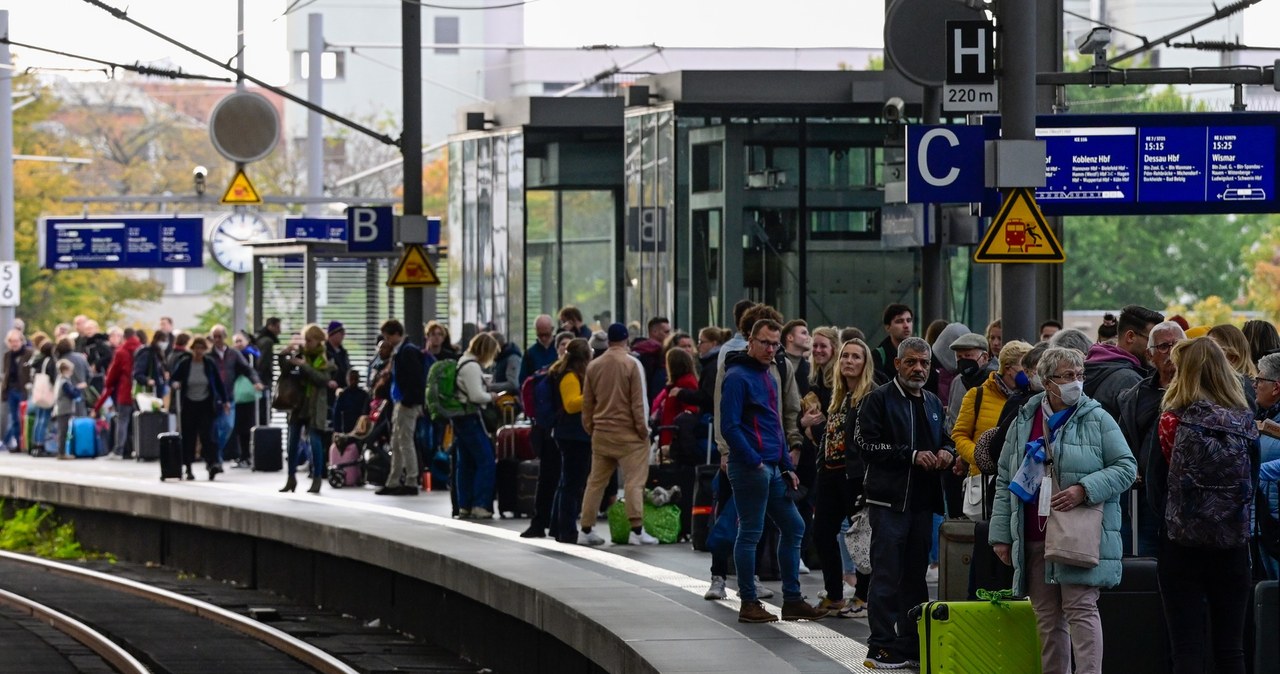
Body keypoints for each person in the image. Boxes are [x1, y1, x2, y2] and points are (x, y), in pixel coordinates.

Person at [989, 347, 1136, 674]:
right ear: (1047, 381)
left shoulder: (1097, 417)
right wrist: (1000, 535)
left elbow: (1126, 467)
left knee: (1081, 610)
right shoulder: (1025, 417)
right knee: (1046, 617)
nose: (1077, 382)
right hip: (1033, 532)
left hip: (1077, 533)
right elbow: (1004, 477)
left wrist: (1084, 489)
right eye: (1068, 376)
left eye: (1080, 375)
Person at [1157, 338, 1258, 674]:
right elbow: (1252, 482)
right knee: (1231, 650)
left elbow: (1155, 484)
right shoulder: (1244, 421)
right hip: (1232, 544)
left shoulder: (1172, 420)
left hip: (1180, 544)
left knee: (1186, 649)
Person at [854, 337, 954, 668]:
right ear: (897, 364)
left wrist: (946, 453)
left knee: (915, 577)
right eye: (911, 362)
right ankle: (880, 645)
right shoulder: (877, 400)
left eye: (924, 363)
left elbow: (947, 440)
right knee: (886, 576)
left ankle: (911, 643)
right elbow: (866, 446)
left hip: (923, 506)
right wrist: (910, 455)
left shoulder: (932, 403)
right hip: (888, 503)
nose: (918, 368)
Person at [721, 318, 827, 623]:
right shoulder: (738, 377)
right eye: (765, 342)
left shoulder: (767, 375)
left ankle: (791, 599)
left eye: (775, 344)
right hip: (752, 466)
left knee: (794, 526)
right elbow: (729, 424)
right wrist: (755, 459)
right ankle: (749, 602)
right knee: (751, 532)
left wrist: (783, 463)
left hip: (768, 465)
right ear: (750, 342)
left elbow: (775, 423)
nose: (770, 349)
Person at [811, 338, 876, 617]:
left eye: (856, 357)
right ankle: (834, 594)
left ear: (865, 364)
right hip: (829, 472)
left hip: (855, 475)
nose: (849, 361)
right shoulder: (836, 395)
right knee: (822, 531)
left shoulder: (871, 395)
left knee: (859, 534)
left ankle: (863, 595)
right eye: (845, 356)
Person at [577, 323, 657, 546]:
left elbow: (587, 404)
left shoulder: (594, 366)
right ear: (626, 340)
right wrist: (644, 431)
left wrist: (591, 428)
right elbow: (638, 403)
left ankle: (586, 528)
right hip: (630, 435)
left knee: (595, 482)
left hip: (601, 433)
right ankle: (637, 530)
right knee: (634, 481)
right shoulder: (632, 364)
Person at [1116, 321, 1187, 557]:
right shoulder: (1136, 394)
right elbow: (1123, 438)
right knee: (1146, 554)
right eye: (1165, 346)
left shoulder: (1199, 391)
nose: (1172, 352)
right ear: (1150, 354)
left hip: (1186, 493)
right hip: (1145, 493)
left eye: (1178, 345)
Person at [952, 340, 1033, 514]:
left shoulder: (1032, 398)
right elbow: (959, 435)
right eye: (1024, 366)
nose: (1029, 373)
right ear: (1008, 368)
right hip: (984, 479)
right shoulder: (977, 395)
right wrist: (980, 457)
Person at [275, 325, 335, 493]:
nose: (307, 343)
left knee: (315, 442)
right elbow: (285, 371)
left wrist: (304, 366)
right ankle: (290, 478)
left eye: (310, 340)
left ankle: (317, 478)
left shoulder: (324, 358)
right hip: (297, 404)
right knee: (292, 442)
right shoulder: (300, 354)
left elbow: (322, 379)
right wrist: (284, 354)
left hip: (315, 406)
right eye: (306, 340)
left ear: (318, 341)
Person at [547, 338, 593, 543]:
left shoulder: (565, 373)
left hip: (569, 434)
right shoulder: (569, 376)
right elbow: (571, 404)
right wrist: (592, 396)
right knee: (571, 484)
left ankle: (558, 527)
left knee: (566, 482)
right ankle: (566, 530)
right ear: (583, 358)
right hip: (572, 435)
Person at [1083, 305, 1163, 422]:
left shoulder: (1097, 364)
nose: (1155, 348)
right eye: (1151, 341)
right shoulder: (1130, 380)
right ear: (1130, 337)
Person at [452, 333, 499, 518]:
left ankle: (465, 505)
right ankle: (480, 505)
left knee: (466, 463)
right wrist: (492, 397)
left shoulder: (463, 362)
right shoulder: (471, 366)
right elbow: (476, 396)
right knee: (486, 460)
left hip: (461, 418)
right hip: (469, 417)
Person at [170, 337, 230, 481]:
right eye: (196, 348)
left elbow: (218, 383)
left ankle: (211, 464)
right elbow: (173, 378)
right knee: (189, 437)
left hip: (206, 405)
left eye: (201, 348)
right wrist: (175, 384)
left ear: (205, 349)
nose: (198, 351)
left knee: (208, 436)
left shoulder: (209, 363)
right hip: (189, 405)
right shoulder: (185, 363)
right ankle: (188, 467)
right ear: (192, 349)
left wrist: (225, 400)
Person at [378, 319, 424, 496]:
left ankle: (412, 480)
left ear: (396, 334)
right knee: (396, 443)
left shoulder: (407, 352)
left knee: (405, 442)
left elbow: (415, 379)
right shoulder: (401, 351)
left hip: (406, 403)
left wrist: (408, 400)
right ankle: (393, 480)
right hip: (400, 401)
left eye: (388, 336)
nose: (386, 340)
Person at [92, 328, 142, 457]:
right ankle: (138, 449)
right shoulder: (141, 350)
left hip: (124, 390)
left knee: (122, 420)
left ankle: (119, 450)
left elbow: (113, 373)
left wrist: (108, 383)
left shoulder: (121, 352)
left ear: (124, 337)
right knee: (138, 421)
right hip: (141, 391)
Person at [1254, 352, 1280, 580]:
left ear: (1276, 387)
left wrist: (1256, 472)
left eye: (1259, 380)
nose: (1255, 385)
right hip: (1265, 520)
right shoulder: (1264, 416)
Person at [3, 329, 32, 451]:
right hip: (11, 389)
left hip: (23, 389)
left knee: (23, 417)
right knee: (14, 417)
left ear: (21, 341)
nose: (14, 344)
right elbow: (6, 373)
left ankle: (26, 442)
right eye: (11, 341)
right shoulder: (8, 355)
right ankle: (18, 444)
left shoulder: (28, 353)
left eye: (16, 341)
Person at [870, 303, 913, 383]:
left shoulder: (921, 353)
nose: (906, 325)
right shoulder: (878, 356)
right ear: (887, 327)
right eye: (899, 321)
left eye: (909, 320)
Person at [52, 358, 83, 460]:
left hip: (61, 408)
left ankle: (62, 452)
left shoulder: (59, 380)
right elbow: (72, 394)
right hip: (64, 409)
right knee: (63, 431)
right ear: (66, 370)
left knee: (63, 431)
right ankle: (61, 453)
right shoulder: (64, 382)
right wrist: (79, 389)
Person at [519, 315, 559, 383]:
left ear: (552, 329)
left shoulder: (559, 349)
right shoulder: (530, 354)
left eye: (546, 334)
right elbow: (523, 380)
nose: (543, 338)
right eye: (540, 335)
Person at [331, 369, 369, 435]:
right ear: (347, 379)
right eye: (351, 379)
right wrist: (337, 431)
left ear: (358, 380)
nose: (353, 381)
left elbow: (366, 412)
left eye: (355, 379)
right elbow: (336, 414)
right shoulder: (343, 394)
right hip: (346, 429)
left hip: (360, 429)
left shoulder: (364, 395)